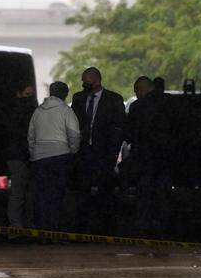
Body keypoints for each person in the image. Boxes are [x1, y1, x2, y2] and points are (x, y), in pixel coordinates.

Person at [70, 67, 125, 233]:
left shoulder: (114, 99)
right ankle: (82, 228)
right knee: (82, 192)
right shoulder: (79, 98)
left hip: (104, 153)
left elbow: (119, 127)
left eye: (85, 80)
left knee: (105, 192)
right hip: (84, 152)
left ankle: (105, 228)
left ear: (96, 80)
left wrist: (114, 152)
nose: (83, 84)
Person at [28, 81, 81, 233]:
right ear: (65, 94)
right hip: (60, 156)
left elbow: (30, 136)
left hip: (39, 158)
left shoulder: (38, 111)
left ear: (50, 93)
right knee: (58, 195)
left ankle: (42, 229)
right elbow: (74, 133)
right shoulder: (66, 111)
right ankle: (56, 229)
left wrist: (34, 153)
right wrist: (72, 150)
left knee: (41, 195)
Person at [126, 76, 173, 237]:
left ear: (141, 88)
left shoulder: (138, 107)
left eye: (136, 91)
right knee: (163, 196)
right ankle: (163, 228)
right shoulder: (171, 104)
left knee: (145, 197)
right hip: (166, 159)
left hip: (144, 160)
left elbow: (130, 134)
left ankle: (144, 229)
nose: (136, 94)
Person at [6, 84, 37, 235]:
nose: (29, 98)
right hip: (20, 156)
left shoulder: (19, 110)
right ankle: (18, 226)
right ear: (18, 94)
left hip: (27, 156)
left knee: (26, 193)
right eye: (27, 94)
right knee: (20, 193)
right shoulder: (18, 112)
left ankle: (21, 226)